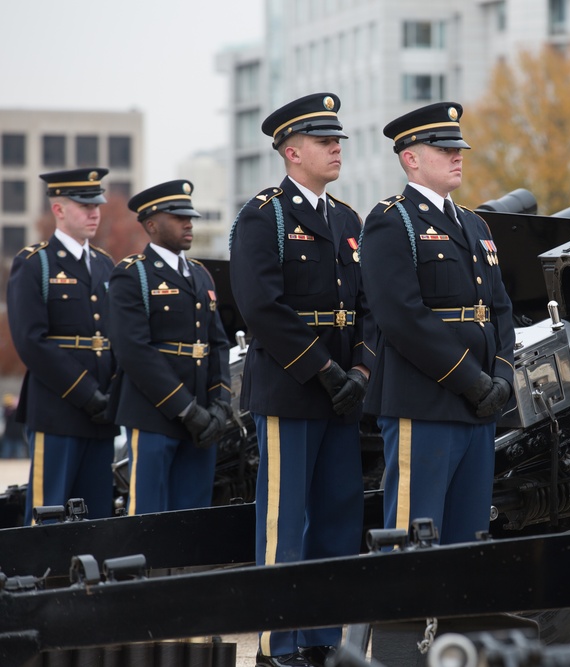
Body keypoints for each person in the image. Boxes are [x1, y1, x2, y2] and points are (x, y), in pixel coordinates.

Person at [229, 92, 373, 667]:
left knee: (338, 521)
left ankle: (322, 640)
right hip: (293, 391)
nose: (337, 147)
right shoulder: (264, 215)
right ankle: (276, 646)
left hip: (342, 396)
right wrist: (326, 369)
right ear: (292, 151)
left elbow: (366, 307)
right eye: (323, 140)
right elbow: (261, 308)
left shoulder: (347, 219)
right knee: (284, 524)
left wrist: (360, 370)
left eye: (337, 139)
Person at [360, 102, 515, 549]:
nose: (457, 155)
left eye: (458, 147)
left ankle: (455, 624)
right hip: (424, 404)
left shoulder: (474, 223)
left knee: (470, 539)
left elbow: (499, 308)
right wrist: (471, 380)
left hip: (480, 406)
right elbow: (401, 317)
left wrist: (502, 377)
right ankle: (406, 622)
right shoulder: (393, 220)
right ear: (410, 158)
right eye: (444, 148)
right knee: (415, 537)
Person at [107, 180, 231, 515]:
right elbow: (133, 350)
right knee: (148, 515)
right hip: (154, 415)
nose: (189, 222)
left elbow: (217, 343)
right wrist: (185, 409)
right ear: (150, 224)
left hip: (203, 419)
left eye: (190, 215)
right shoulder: (133, 275)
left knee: (194, 516)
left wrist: (220, 403)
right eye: (178, 217)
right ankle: (142, 572)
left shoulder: (200, 274)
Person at [6, 168, 118, 523]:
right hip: (58, 409)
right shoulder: (35, 263)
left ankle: (94, 580)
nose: (94, 212)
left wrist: (113, 393)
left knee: (97, 516)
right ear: (58, 210)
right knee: (48, 513)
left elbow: (115, 336)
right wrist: (87, 393)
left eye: (97, 204)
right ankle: (41, 579)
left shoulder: (103, 264)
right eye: (84, 205)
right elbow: (30, 341)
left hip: (101, 416)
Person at [0, 394, 28, 459]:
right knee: (6, 455)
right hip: (9, 436)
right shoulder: (6, 412)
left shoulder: (19, 413)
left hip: (19, 436)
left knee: (19, 456)